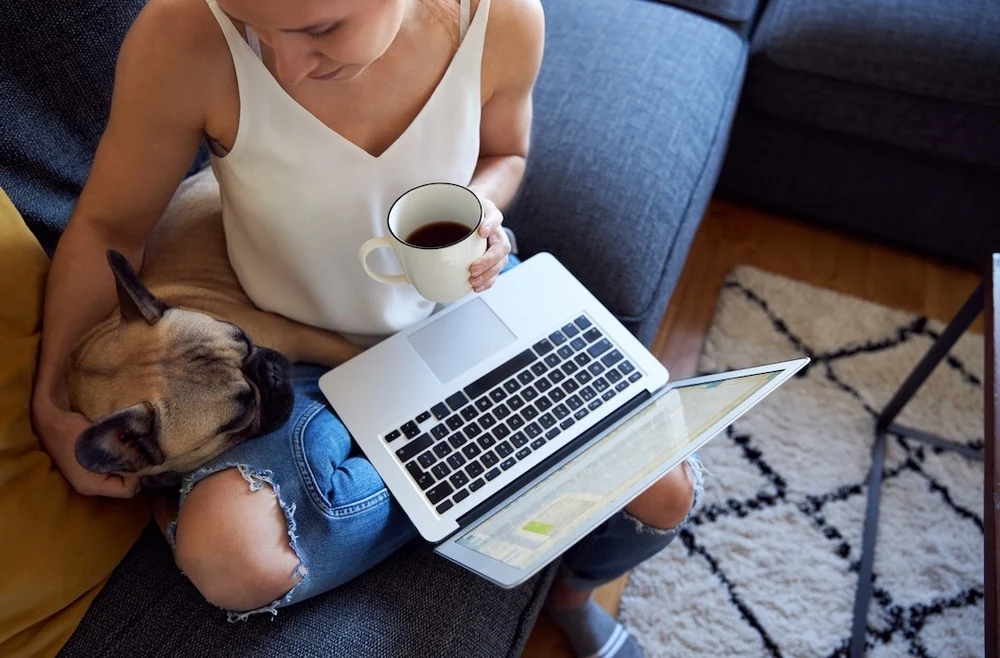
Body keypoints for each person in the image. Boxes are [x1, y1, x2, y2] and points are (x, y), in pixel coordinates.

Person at [30, 0, 703, 655]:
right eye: (249, 24)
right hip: (291, 347)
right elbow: (108, 226)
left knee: (665, 488)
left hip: (459, 305)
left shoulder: (502, 17)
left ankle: (568, 592)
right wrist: (52, 399)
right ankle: (490, 461)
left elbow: (507, 155)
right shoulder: (182, 32)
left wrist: (481, 211)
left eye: (321, 29)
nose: (285, 65)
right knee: (232, 557)